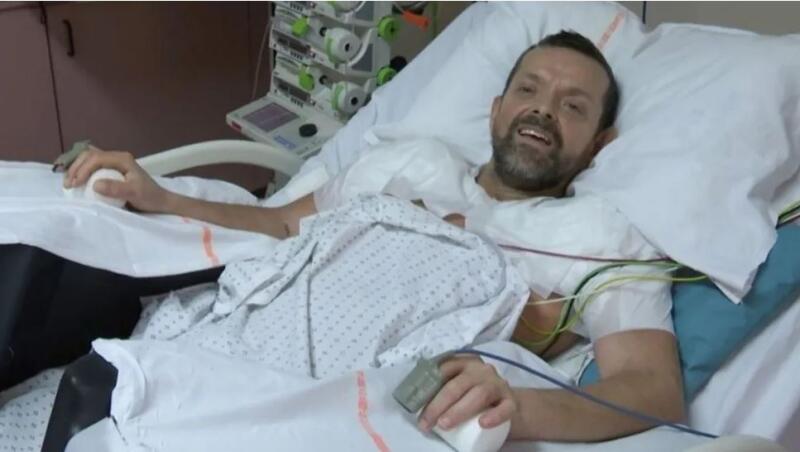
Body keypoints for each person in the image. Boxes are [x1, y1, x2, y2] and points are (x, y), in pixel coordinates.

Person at [61, 31, 683, 443]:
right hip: (235, 338)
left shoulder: (600, 236)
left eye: (573, 106)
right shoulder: (412, 163)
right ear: (495, 109)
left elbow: (652, 389)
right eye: (528, 89)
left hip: (335, 404)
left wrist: (522, 409)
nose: (543, 109)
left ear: (600, 144)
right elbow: (280, 223)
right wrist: (164, 199)